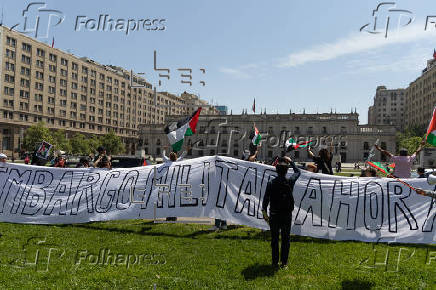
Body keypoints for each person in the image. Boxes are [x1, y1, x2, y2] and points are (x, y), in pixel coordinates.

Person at [262, 157, 301, 269]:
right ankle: (284, 263)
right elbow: (298, 172)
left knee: (274, 239)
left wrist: (264, 212)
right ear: (287, 171)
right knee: (285, 239)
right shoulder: (290, 181)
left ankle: (275, 262)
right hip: (286, 214)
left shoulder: (271, 183)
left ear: (276, 170)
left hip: (274, 214)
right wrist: (291, 161)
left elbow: (266, 199)